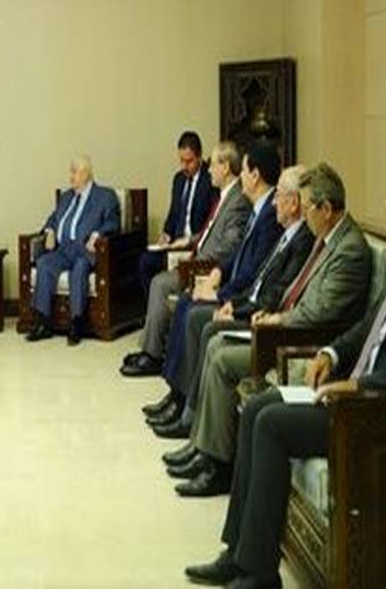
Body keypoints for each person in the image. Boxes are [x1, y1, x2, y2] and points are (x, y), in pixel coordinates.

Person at [185, 167, 386, 589]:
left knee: (271, 423)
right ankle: (237, 552)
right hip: (354, 399)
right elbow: (369, 326)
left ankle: (258, 573)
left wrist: (360, 386)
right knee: (258, 407)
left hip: (378, 416)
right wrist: (332, 352)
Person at [174, 162, 372, 498]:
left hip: (302, 343)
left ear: (325, 209)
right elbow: (292, 290)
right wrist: (271, 313)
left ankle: (217, 465)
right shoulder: (325, 239)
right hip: (282, 327)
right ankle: (204, 450)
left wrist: (278, 320)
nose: (304, 215)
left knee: (221, 358)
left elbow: (321, 312)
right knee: (215, 342)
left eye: (307, 206)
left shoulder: (349, 249)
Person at [147, 165, 314, 457]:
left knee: (203, 323)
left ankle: (194, 425)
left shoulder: (295, 238)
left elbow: (270, 292)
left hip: (264, 322)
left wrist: (233, 307)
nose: (275, 202)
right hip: (247, 302)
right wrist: (229, 296)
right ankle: (182, 404)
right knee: (193, 310)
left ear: (294, 203)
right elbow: (255, 273)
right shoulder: (283, 231)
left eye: (280, 197)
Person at [122, 141, 251, 376]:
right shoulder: (225, 196)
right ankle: (151, 349)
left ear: (225, 168)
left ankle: (152, 355)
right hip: (194, 257)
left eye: (213, 165)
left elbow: (229, 247)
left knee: (160, 283)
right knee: (150, 268)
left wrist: (195, 261)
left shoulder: (238, 201)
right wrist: (187, 241)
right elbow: (208, 231)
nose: (209, 169)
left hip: (205, 268)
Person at [24, 155, 121, 345]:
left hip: (84, 251)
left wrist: (97, 235)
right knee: (44, 264)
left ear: (85, 174)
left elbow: (113, 222)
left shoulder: (105, 196)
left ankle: (77, 323)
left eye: (74, 172)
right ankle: (43, 323)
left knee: (79, 269)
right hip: (63, 250)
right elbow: (53, 219)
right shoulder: (66, 196)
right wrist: (50, 230)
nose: (70, 176)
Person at [137, 131, 216, 292]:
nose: (184, 166)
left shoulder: (210, 180)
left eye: (189, 161)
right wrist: (166, 234)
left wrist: (191, 240)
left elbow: (213, 221)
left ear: (199, 157)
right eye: (181, 160)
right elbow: (173, 213)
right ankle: (153, 306)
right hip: (175, 245)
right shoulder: (179, 179)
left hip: (196, 245)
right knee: (145, 261)